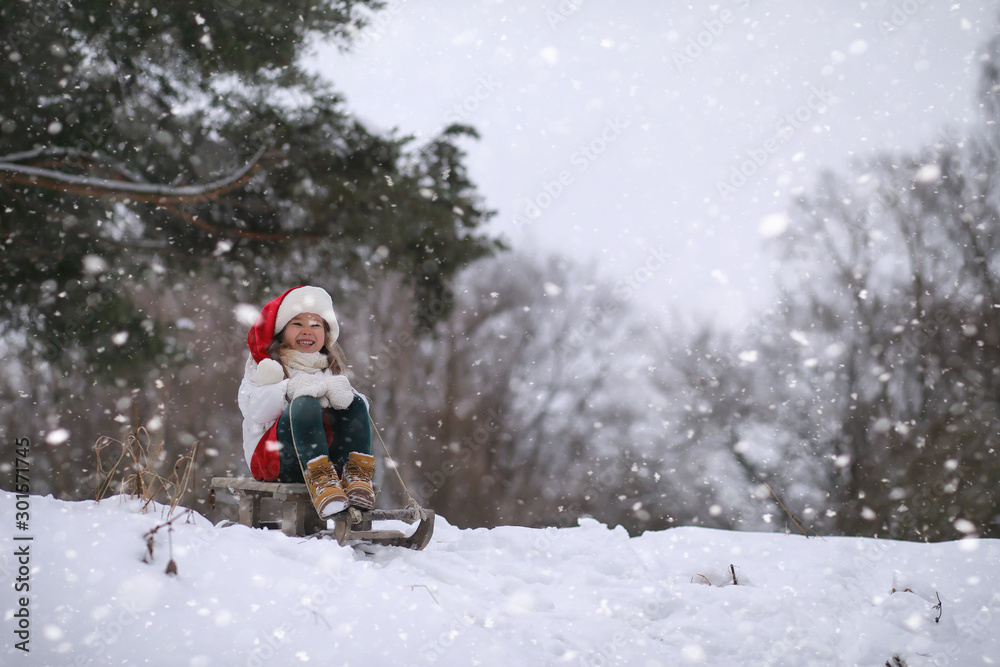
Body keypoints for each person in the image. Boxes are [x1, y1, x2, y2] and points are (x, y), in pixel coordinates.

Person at [238, 285, 375, 518]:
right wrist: (288, 389)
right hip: (279, 459)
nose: (307, 331)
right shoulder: (266, 365)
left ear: (326, 334)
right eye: (297, 324)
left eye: (316, 325)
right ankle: (320, 478)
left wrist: (346, 397)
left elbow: (358, 412)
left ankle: (356, 476)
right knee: (305, 404)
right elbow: (253, 412)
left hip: (332, 463)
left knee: (355, 403)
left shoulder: (327, 366)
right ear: (282, 330)